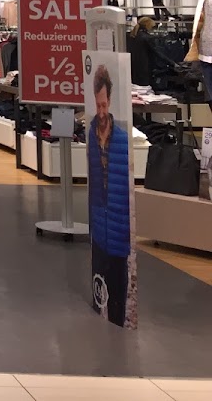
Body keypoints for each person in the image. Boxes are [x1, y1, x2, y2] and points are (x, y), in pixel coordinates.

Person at [87, 63, 131, 327]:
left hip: (118, 235)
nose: (102, 111)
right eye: (98, 105)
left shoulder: (123, 140)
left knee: (118, 305)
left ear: (110, 101)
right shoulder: (91, 135)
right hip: (100, 233)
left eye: (104, 105)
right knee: (99, 294)